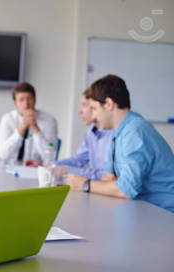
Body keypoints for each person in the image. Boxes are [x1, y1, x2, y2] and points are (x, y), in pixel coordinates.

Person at [66, 74, 174, 212]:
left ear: (109, 104)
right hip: (144, 209)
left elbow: (126, 189)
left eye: (94, 108)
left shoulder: (135, 131)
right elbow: (108, 178)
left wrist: (85, 184)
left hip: (165, 214)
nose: (92, 115)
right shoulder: (118, 132)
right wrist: (113, 184)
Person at [55, 89, 112, 180]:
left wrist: (67, 170)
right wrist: (52, 165)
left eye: (84, 105)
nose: (79, 111)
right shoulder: (90, 132)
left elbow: (107, 176)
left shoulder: (113, 134)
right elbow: (78, 160)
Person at [0, 82, 58, 166]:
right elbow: (3, 154)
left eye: (29, 98)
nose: (26, 103)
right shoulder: (7, 119)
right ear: (15, 103)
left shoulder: (49, 120)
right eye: (21, 100)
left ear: (35, 100)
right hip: (11, 167)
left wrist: (35, 126)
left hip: (37, 169)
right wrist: (23, 125)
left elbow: (50, 155)